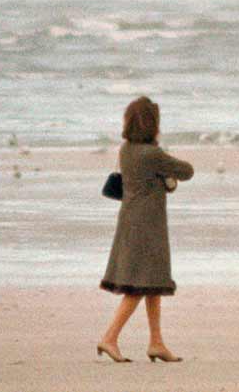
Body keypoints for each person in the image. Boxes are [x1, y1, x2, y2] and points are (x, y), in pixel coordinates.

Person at [98, 96, 194, 363]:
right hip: (148, 227)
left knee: (152, 284)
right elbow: (187, 171)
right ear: (153, 124)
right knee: (139, 286)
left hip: (129, 222)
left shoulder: (126, 150)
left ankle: (157, 342)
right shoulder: (152, 154)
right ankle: (109, 338)